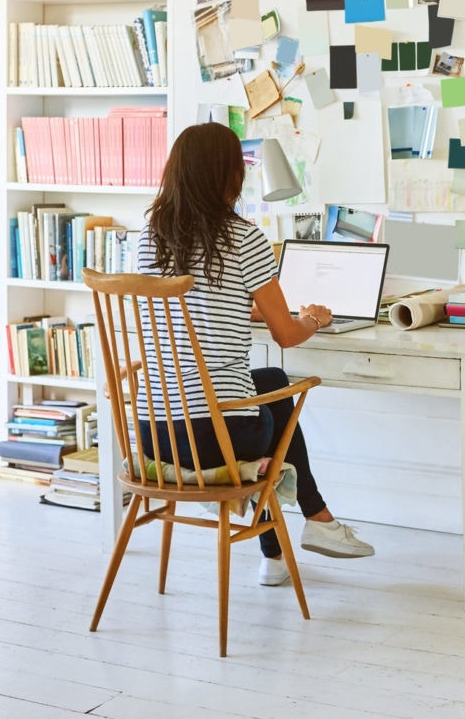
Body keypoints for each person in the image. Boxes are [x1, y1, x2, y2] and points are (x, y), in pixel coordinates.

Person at [137, 122, 374, 587]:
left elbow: (190, 306)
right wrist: (314, 319)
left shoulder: (151, 237)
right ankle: (317, 518)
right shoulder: (244, 239)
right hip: (214, 439)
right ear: (229, 176)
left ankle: (281, 552)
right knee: (278, 389)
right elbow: (286, 336)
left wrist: (238, 308)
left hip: (155, 435)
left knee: (265, 383)